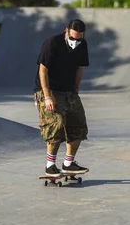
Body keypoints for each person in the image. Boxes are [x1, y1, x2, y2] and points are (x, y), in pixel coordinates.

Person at [34, 19, 90, 177]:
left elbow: (80, 68)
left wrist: (75, 90)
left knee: (78, 125)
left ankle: (68, 163)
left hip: (69, 91)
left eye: (79, 38)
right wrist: (47, 97)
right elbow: (42, 71)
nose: (76, 41)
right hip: (48, 90)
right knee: (56, 124)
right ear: (66, 31)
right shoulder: (52, 43)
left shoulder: (83, 44)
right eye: (73, 38)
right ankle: (50, 165)